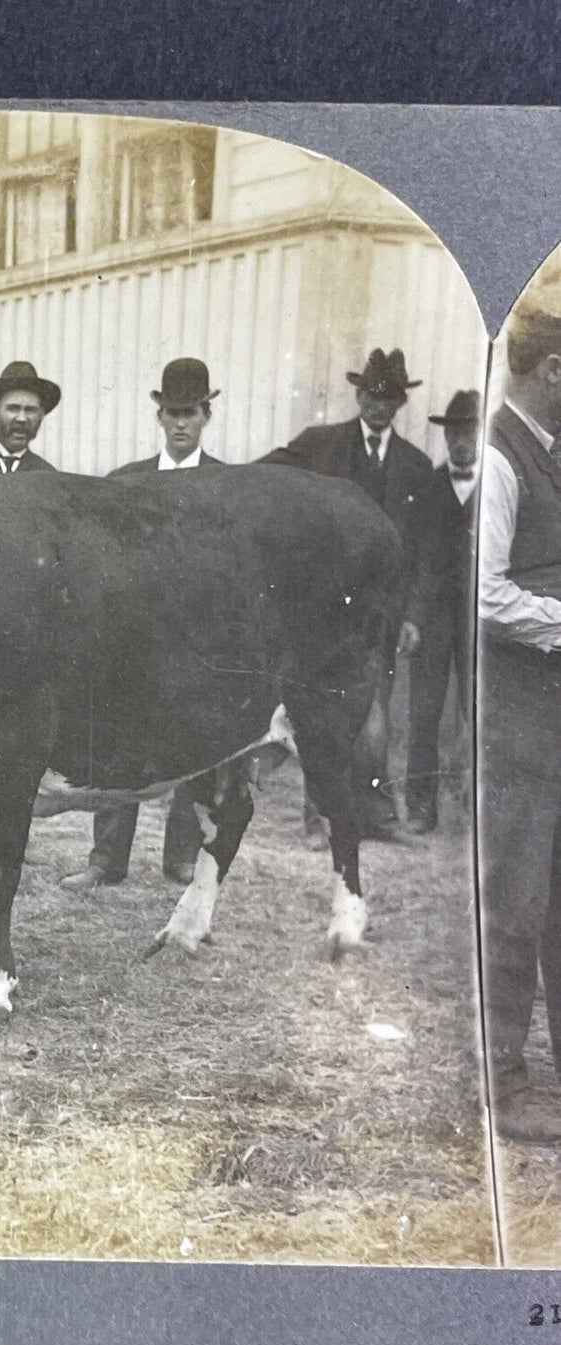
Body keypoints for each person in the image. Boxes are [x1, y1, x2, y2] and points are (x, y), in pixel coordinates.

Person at [260, 348, 433, 843]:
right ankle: (321, 819)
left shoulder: (415, 466)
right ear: (358, 396)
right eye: (370, 395)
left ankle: (376, 817)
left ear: (400, 403)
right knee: (320, 710)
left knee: (375, 712)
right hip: (324, 607)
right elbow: (267, 476)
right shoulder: (321, 445)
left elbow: (423, 555)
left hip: (384, 612)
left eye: (388, 397)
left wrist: (413, 617)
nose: (377, 405)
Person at [87, 359, 225, 888]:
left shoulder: (225, 485)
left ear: (206, 415)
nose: (181, 423)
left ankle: (182, 857)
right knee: (118, 740)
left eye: (191, 413)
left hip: (197, 642)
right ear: (159, 415)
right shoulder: (125, 483)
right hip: (131, 639)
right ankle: (106, 860)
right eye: (172, 413)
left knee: (197, 745)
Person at [477, 282, 561, 1144]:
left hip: (554, 711)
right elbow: (484, 594)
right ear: (549, 370)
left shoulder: (551, 448)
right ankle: (502, 1081)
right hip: (514, 713)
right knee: (513, 895)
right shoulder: (501, 456)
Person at [404, 389, 480, 835]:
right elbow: (417, 560)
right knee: (424, 712)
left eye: (469, 432)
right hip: (431, 620)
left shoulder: (497, 487)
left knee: (479, 712)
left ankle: (479, 808)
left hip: (480, 623)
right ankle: (419, 807)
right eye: (454, 433)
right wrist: (411, 618)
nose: (460, 442)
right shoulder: (429, 488)